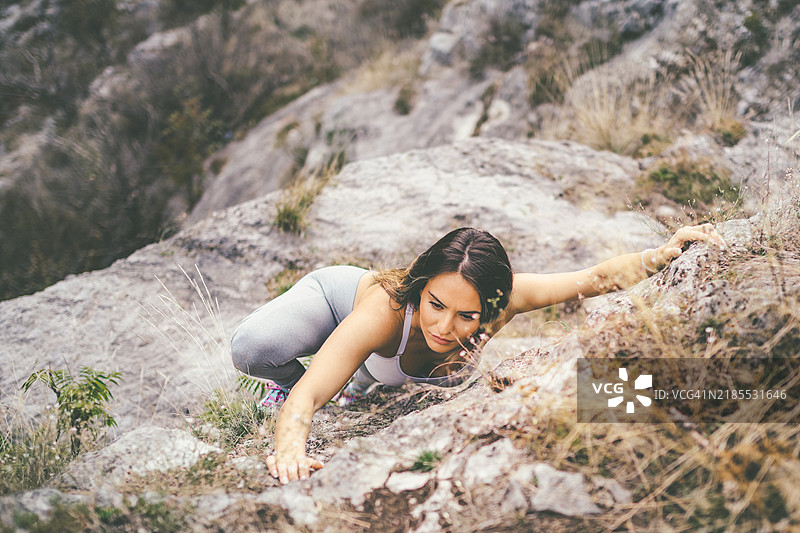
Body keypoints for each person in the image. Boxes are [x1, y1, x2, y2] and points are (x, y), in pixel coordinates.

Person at [231, 224, 726, 484]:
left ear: (490, 306)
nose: (445, 327)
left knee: (359, 376)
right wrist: (290, 447)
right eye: (436, 305)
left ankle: (358, 377)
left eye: (466, 316)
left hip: (374, 363)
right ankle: (304, 377)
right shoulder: (387, 309)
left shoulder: (503, 304)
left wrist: (660, 255)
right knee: (253, 348)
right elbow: (310, 397)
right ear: (421, 288)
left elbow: (593, 278)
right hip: (339, 300)